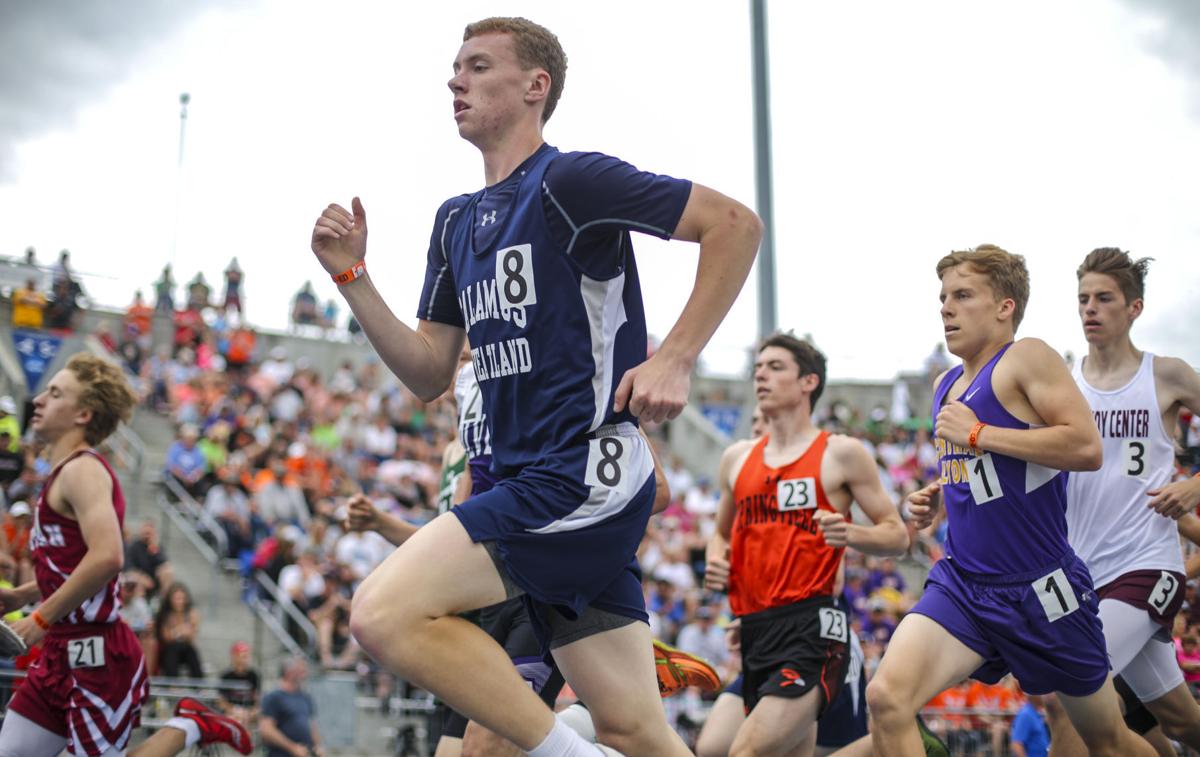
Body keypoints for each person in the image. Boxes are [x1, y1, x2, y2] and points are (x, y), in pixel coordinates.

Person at [312, 15, 760, 757]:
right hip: (532, 481)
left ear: (534, 85)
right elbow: (429, 370)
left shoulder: (571, 179)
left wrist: (676, 355)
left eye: (478, 66)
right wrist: (352, 278)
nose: (456, 80)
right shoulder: (455, 220)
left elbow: (735, 225)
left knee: (381, 613)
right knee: (635, 728)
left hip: (582, 472)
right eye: (454, 68)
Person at [865, 245, 1153, 757]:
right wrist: (938, 498)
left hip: (1043, 588)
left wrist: (978, 433)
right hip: (966, 584)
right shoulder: (945, 383)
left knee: (1107, 741)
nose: (946, 308)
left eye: (962, 295)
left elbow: (1085, 448)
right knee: (886, 698)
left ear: (1004, 306)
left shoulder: (1027, 357)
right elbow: (985, 474)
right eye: (942, 297)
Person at [0, 353, 250, 755]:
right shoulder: (61, 471)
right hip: (61, 653)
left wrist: (40, 617)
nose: (41, 400)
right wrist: (21, 595)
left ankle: (189, 725)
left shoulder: (83, 470)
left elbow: (108, 558)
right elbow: (73, 567)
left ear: (83, 413)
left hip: (99, 656)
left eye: (55, 392)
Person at [704, 333, 909, 756]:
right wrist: (715, 560)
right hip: (757, 628)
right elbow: (721, 534)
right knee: (714, 748)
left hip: (813, 627)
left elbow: (897, 535)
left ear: (808, 382)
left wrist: (851, 534)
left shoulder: (841, 453)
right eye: (758, 367)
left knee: (744, 752)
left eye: (775, 367)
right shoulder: (737, 459)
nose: (761, 374)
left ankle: (897, 740)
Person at [1041, 248, 1200, 754]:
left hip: (1147, 564)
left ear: (1134, 308)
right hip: (1081, 570)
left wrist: (1195, 485)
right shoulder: (1063, 384)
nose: (1090, 308)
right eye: (1083, 298)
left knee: (1071, 689)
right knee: (1177, 718)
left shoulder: (1166, 374)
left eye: (1103, 298)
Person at [260, 656, 326, 757]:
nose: (305, 672)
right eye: (301, 668)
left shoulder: (305, 697)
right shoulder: (274, 697)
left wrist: (318, 746)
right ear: (289, 671)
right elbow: (266, 730)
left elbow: (311, 725)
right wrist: (292, 747)